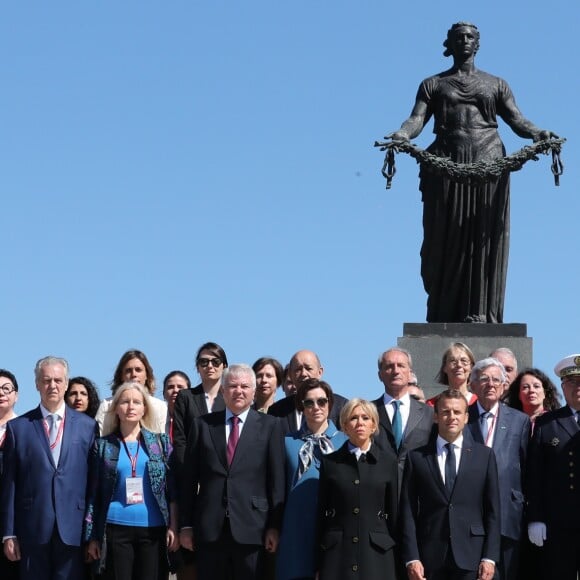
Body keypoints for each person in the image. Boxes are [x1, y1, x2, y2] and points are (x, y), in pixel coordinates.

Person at [388, 22, 557, 323]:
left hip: (488, 161)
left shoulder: (496, 84)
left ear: (478, 44)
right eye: (458, 38)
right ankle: (441, 311)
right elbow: (416, 119)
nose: (465, 41)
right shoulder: (433, 84)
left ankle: (479, 311)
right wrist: (402, 134)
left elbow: (517, 120)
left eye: (470, 37)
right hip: (447, 164)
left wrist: (538, 133)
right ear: (449, 44)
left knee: (483, 235)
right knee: (443, 237)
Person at [179, 364, 285, 580]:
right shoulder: (202, 425)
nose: (239, 391)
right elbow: (188, 479)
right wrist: (186, 525)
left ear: (254, 392)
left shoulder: (271, 426)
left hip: (253, 527)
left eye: (245, 386)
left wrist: (274, 526)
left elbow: (276, 481)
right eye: (233, 386)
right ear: (223, 391)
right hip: (210, 528)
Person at [0, 356, 97, 579]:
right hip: (32, 529)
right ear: (36, 384)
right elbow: (10, 483)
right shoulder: (18, 428)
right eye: (46, 380)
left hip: (73, 529)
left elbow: (93, 482)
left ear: (66, 383)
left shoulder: (87, 427)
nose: (52, 386)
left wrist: (93, 533)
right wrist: (8, 533)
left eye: (57, 380)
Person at [400, 389, 500, 580]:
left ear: (466, 417)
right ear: (436, 417)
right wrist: (411, 557)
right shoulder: (417, 457)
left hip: (472, 556)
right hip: (430, 556)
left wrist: (490, 557)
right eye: (445, 412)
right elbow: (408, 511)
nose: (451, 417)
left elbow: (493, 511)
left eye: (457, 412)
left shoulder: (484, 456)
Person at [84, 382, 178, 580]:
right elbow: (93, 494)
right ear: (116, 408)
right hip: (115, 528)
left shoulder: (160, 444)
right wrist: (92, 536)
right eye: (125, 402)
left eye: (137, 402)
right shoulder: (103, 446)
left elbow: (173, 490)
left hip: (153, 529)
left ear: (145, 408)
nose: (131, 406)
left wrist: (174, 525)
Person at [316, 398, 398, 580]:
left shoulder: (388, 462)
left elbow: (393, 514)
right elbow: (321, 514)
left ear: (374, 425)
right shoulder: (330, 463)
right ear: (344, 425)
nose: (360, 423)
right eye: (353, 418)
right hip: (338, 555)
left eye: (365, 418)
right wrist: (317, 560)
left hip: (377, 554)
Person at [276, 379, 347, 580]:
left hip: (334, 529)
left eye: (322, 401)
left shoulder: (345, 442)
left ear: (330, 404)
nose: (316, 407)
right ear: (301, 406)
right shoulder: (287, 442)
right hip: (296, 529)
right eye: (309, 402)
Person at [465, 358, 530, 579]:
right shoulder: (461, 418)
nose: (490, 384)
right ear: (472, 385)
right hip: (469, 517)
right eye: (484, 379)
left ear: (504, 386)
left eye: (496, 380)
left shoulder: (520, 421)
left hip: (507, 515)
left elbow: (526, 466)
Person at [527, 354, 580, 580]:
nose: (578, 387)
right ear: (563, 386)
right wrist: (536, 517)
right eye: (572, 382)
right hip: (559, 523)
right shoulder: (547, 423)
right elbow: (535, 474)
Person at [373, 348, 434, 491]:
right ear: (380, 375)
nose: (395, 371)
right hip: (378, 493)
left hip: (417, 492)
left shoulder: (429, 413)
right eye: (389, 366)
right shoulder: (368, 412)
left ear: (410, 373)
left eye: (401, 365)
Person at [268, 350, 347, 433]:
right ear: (291, 375)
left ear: (320, 372)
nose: (303, 373)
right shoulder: (276, 411)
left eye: (308, 368)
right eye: (298, 369)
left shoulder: (342, 406)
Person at [94, 350, 167, 434]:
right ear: (121, 376)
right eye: (128, 370)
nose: (133, 374)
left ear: (147, 375)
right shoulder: (106, 406)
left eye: (138, 370)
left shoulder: (160, 406)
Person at [0, 370, 19, 580]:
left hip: (12, 521)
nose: (1, 393)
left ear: (16, 395)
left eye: (7, 389)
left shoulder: (25, 428)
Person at [162, 370, 191, 442]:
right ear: (164, 393)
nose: (175, 390)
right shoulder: (156, 421)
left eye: (180, 387)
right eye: (170, 387)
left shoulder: (195, 421)